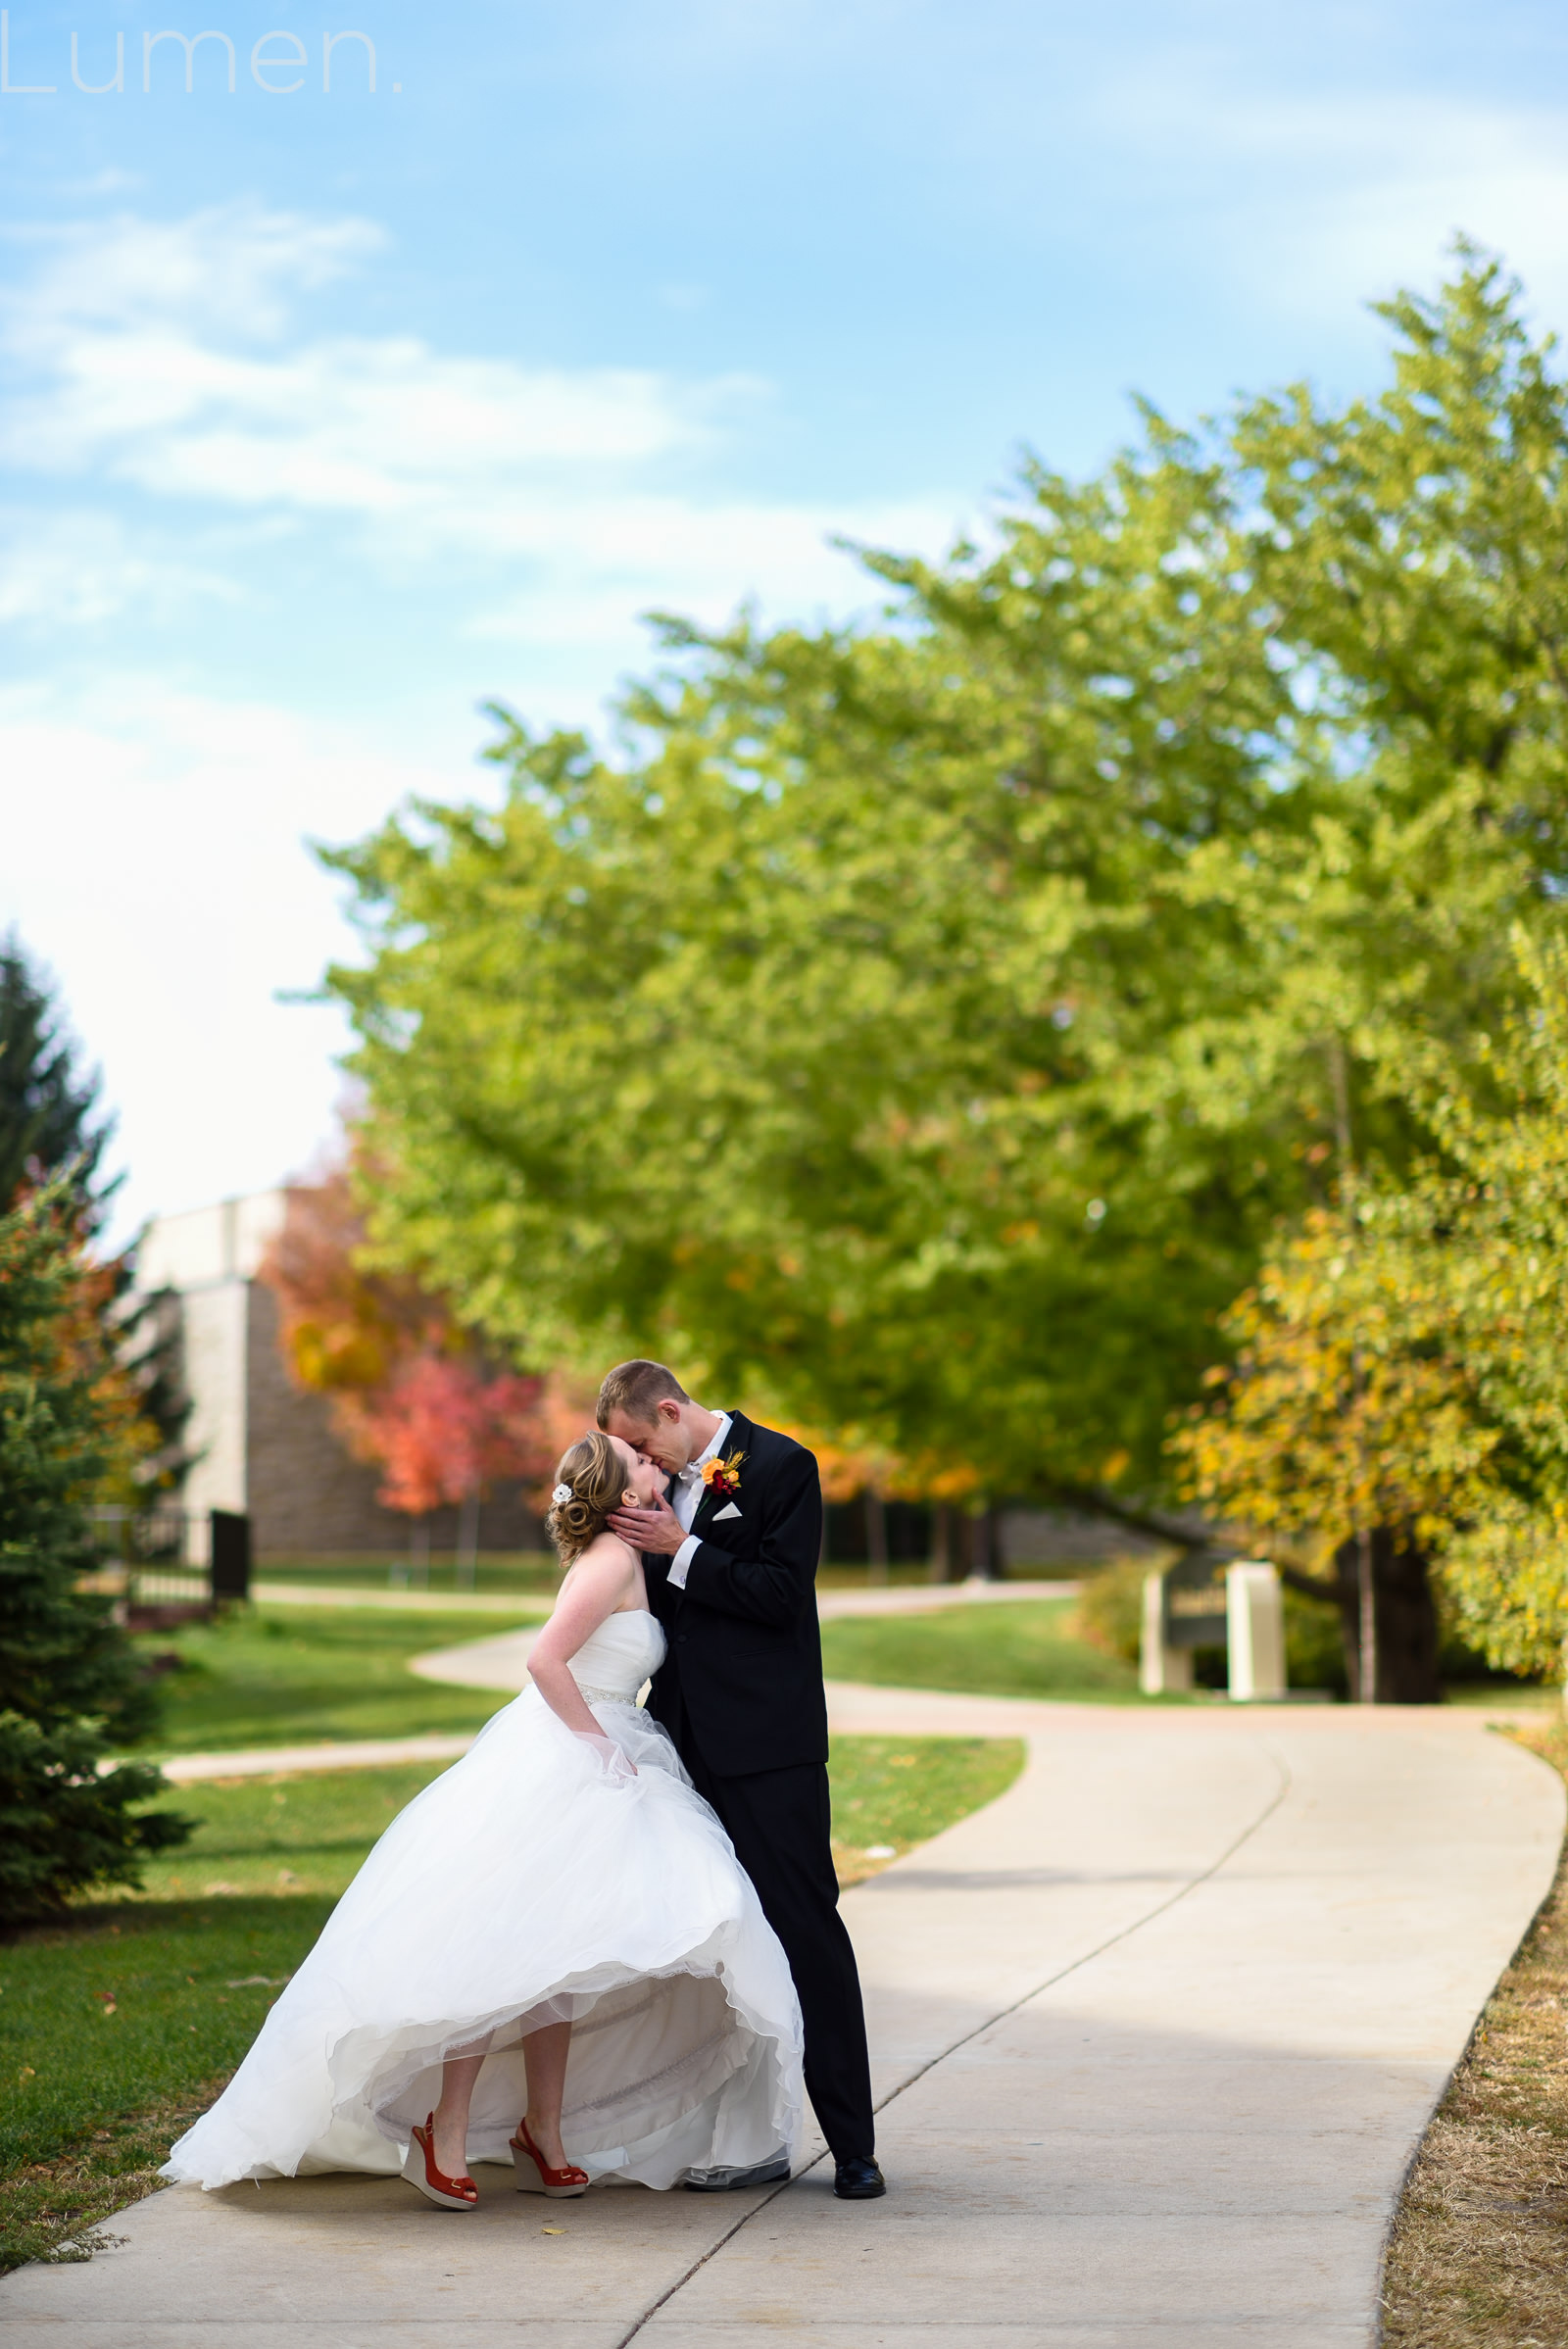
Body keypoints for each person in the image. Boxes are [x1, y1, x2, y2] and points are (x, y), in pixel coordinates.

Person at [162, 1431, 804, 2209]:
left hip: (606, 1750)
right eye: (642, 1461)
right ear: (620, 1492)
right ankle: (448, 2127)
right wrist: (600, 1750)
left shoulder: (631, 1557)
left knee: (562, 1954)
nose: (657, 1464)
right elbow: (543, 1662)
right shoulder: (606, 1560)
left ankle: (544, 2130)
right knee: (496, 1945)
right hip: (568, 1754)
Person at [599, 1358, 885, 2201]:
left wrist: (680, 1549)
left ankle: (853, 2143)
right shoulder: (650, 1492)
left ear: (672, 1409)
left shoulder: (785, 1468)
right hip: (681, 1746)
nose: (639, 1462)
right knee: (700, 1947)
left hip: (770, 1747)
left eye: (642, 1443)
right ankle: (735, 2137)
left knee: (806, 1932)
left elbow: (780, 1593)